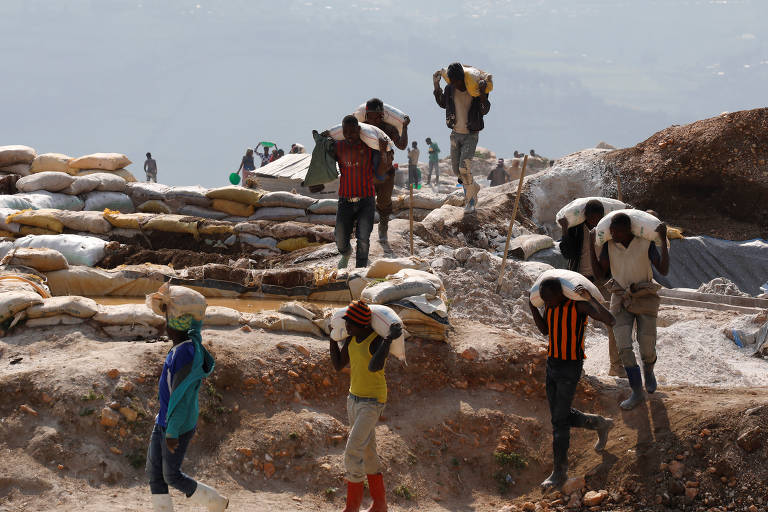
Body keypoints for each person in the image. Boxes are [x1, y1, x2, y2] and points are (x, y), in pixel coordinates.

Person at [145, 286, 229, 512]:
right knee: (155, 474)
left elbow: (181, 400)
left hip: (176, 426)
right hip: (164, 420)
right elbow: (196, 327)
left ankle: (215, 502)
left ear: (173, 328)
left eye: (168, 321)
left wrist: (171, 433)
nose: (165, 325)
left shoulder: (184, 355)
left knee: (171, 475)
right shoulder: (186, 343)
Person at [528, 279, 616, 490]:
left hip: (570, 366)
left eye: (550, 299)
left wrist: (591, 298)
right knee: (560, 415)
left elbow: (610, 319)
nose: (547, 303)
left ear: (561, 294)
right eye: (545, 300)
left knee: (559, 421)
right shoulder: (550, 305)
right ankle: (600, 424)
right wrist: (533, 306)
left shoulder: (578, 305)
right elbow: (544, 331)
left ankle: (559, 472)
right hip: (552, 364)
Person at [589, 213, 670, 410]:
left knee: (646, 341)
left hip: (644, 294)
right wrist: (592, 246)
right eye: (612, 231)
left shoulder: (645, 243)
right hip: (620, 296)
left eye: (617, 231)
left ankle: (648, 370)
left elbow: (664, 270)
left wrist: (664, 244)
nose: (613, 234)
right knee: (623, 344)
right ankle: (636, 391)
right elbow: (600, 274)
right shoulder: (609, 246)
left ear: (628, 230)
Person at [329, 300, 402, 512]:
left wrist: (388, 340)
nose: (347, 325)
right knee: (368, 452)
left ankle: (352, 507)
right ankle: (380, 505)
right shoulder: (351, 338)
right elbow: (338, 365)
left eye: (350, 322)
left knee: (353, 451)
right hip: (353, 399)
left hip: (372, 402)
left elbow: (374, 365)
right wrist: (332, 338)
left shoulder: (376, 340)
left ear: (361, 323)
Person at [559, 200, 625, 378]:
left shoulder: (608, 230)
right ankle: (575, 366)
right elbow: (567, 253)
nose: (596, 221)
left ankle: (616, 366)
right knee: (577, 323)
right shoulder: (576, 230)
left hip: (603, 281)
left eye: (599, 217)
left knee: (612, 321)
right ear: (586, 216)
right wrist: (565, 229)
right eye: (593, 217)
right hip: (580, 281)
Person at [326, 115, 391, 269]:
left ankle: (359, 272)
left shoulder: (369, 147)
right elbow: (325, 162)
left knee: (363, 239)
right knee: (340, 238)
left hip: (366, 201)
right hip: (345, 201)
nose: (349, 135)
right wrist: (323, 141)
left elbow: (381, 173)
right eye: (345, 132)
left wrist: (383, 152)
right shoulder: (339, 147)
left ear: (359, 129)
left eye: (352, 131)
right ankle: (346, 252)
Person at [433, 62, 491, 212]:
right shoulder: (450, 89)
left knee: (464, 169)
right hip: (455, 135)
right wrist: (436, 86)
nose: (456, 85)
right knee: (457, 171)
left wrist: (484, 93)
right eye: (453, 82)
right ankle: (474, 186)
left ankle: (470, 201)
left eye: (458, 82)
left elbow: (485, 110)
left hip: (471, 135)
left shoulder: (475, 91)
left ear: (463, 79)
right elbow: (442, 103)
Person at [362, 98, 410, 243]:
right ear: (367, 115)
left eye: (378, 115)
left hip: (386, 174)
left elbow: (401, 145)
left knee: (384, 204)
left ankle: (383, 227)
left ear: (382, 114)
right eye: (372, 115)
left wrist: (405, 127)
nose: (375, 118)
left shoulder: (389, 129)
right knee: (364, 204)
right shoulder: (360, 128)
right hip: (366, 174)